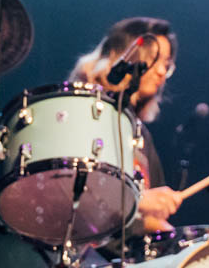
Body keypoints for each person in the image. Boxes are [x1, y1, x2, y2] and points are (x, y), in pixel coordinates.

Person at [70, 16, 184, 233]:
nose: (161, 72)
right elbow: (69, 191)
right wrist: (138, 203)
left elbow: (150, 216)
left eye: (166, 65)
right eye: (154, 59)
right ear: (124, 56)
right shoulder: (87, 113)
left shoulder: (142, 136)